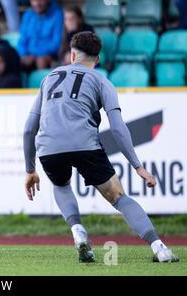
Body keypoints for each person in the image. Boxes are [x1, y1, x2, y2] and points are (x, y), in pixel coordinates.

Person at [22, 31, 179, 263]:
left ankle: (77, 231)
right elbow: (117, 128)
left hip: (49, 148)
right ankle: (160, 248)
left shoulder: (49, 78)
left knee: (61, 185)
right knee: (118, 197)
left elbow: (28, 128)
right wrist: (138, 166)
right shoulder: (102, 81)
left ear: (72, 54)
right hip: (86, 145)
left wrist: (30, 169)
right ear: (98, 59)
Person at [17, 0, 63, 70]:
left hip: (48, 55)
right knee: (14, 60)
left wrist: (34, 54)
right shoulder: (27, 15)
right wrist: (24, 54)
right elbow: (22, 40)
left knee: (41, 61)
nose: (37, 3)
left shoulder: (57, 15)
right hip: (29, 54)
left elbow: (56, 43)